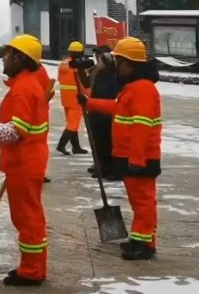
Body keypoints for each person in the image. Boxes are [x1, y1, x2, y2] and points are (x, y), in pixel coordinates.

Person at [0, 34, 49, 287]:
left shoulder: (23, 89)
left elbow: (17, 130)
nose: (4, 58)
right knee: (29, 216)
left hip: (25, 164)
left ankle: (32, 270)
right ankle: (34, 266)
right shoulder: (26, 84)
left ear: (20, 58)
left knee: (27, 218)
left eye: (8, 54)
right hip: (27, 162)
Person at [78, 37, 162, 260]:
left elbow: (142, 125)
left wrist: (137, 156)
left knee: (144, 201)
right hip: (129, 154)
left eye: (119, 62)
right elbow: (119, 108)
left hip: (139, 156)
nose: (116, 66)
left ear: (130, 64)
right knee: (138, 201)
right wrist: (90, 103)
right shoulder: (133, 87)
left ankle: (145, 245)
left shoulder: (142, 88)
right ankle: (139, 238)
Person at [86, 47, 122, 181]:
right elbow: (88, 85)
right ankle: (102, 168)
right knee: (98, 144)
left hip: (106, 114)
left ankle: (111, 169)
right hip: (95, 113)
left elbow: (115, 98)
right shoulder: (98, 74)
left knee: (108, 144)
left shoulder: (113, 77)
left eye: (101, 61)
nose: (98, 63)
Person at [56, 41, 91, 156]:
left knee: (71, 123)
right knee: (73, 125)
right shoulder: (77, 67)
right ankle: (61, 145)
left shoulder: (63, 65)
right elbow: (83, 84)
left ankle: (76, 147)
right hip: (76, 99)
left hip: (66, 98)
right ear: (80, 53)